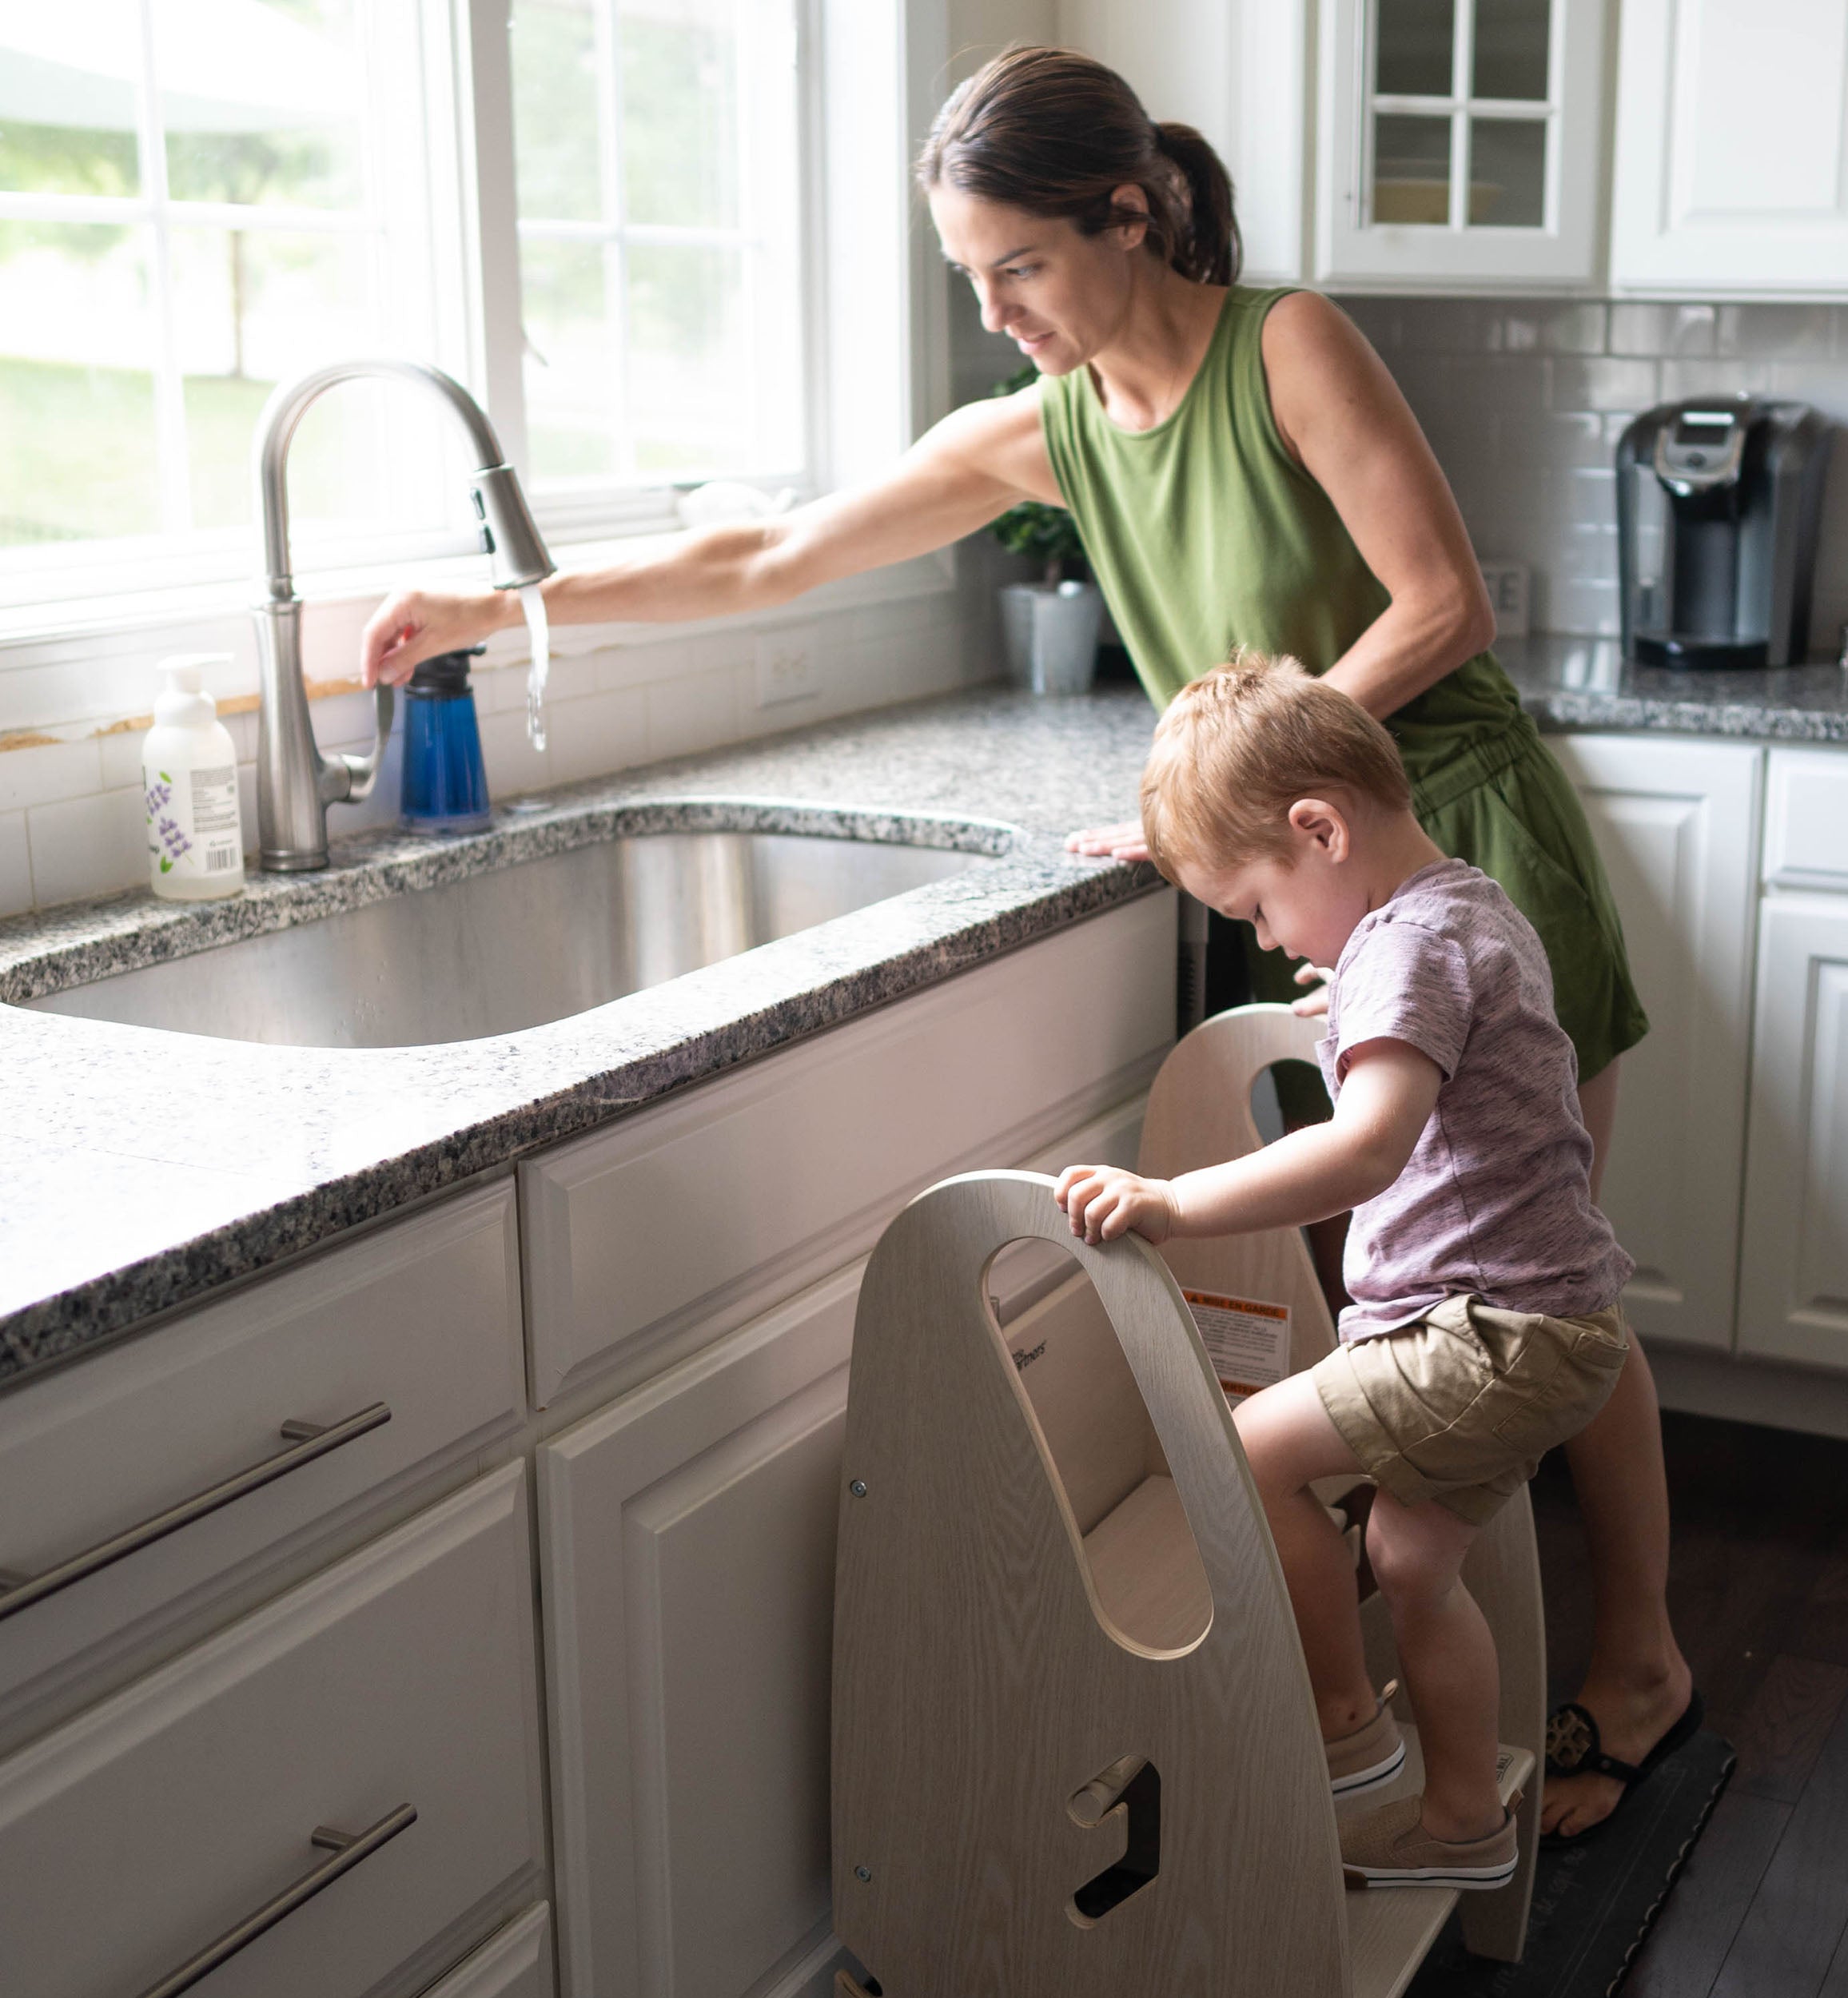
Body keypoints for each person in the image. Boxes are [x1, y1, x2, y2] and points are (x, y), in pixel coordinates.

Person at [359, 43, 1689, 1843]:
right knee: (1419, 1299)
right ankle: (1427, 1709)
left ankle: (1641, 1660)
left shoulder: (1285, 343)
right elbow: (766, 557)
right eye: (968, 280)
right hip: (1283, 868)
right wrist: (497, 604)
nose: (996, 316)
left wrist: (1224, 780)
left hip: (1450, 838)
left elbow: (1441, 601)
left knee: (1544, 1280)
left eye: (1021, 269)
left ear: (1124, 214)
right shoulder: (1046, 433)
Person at [1057, 655, 1699, 1887]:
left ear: (1318, 828)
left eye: (1255, 904)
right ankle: (1463, 1821)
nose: (1263, 933)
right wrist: (1349, 981)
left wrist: (1174, 1203)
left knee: (1246, 1453)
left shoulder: (1406, 956)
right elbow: (1433, 1003)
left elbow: (1368, 1146)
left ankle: (1343, 1730)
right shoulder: (1456, 907)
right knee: (1410, 1562)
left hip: (1480, 1337)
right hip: (1551, 1328)